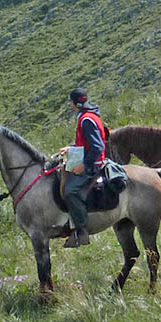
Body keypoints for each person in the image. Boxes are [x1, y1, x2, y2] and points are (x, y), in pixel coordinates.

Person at [62, 87, 108, 248]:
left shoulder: (85, 120)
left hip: (92, 165)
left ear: (73, 103)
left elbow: (97, 147)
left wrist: (84, 166)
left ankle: (82, 230)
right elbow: (87, 144)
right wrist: (70, 149)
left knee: (70, 191)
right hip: (90, 159)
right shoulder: (90, 116)